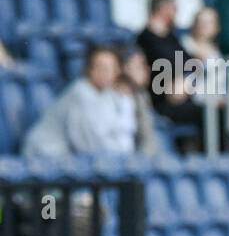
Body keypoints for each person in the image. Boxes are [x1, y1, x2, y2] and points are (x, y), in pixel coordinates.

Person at [23, 46, 156, 159]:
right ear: (90, 70)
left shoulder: (105, 95)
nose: (105, 73)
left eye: (110, 68)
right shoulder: (80, 92)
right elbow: (86, 145)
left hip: (64, 159)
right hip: (44, 154)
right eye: (100, 67)